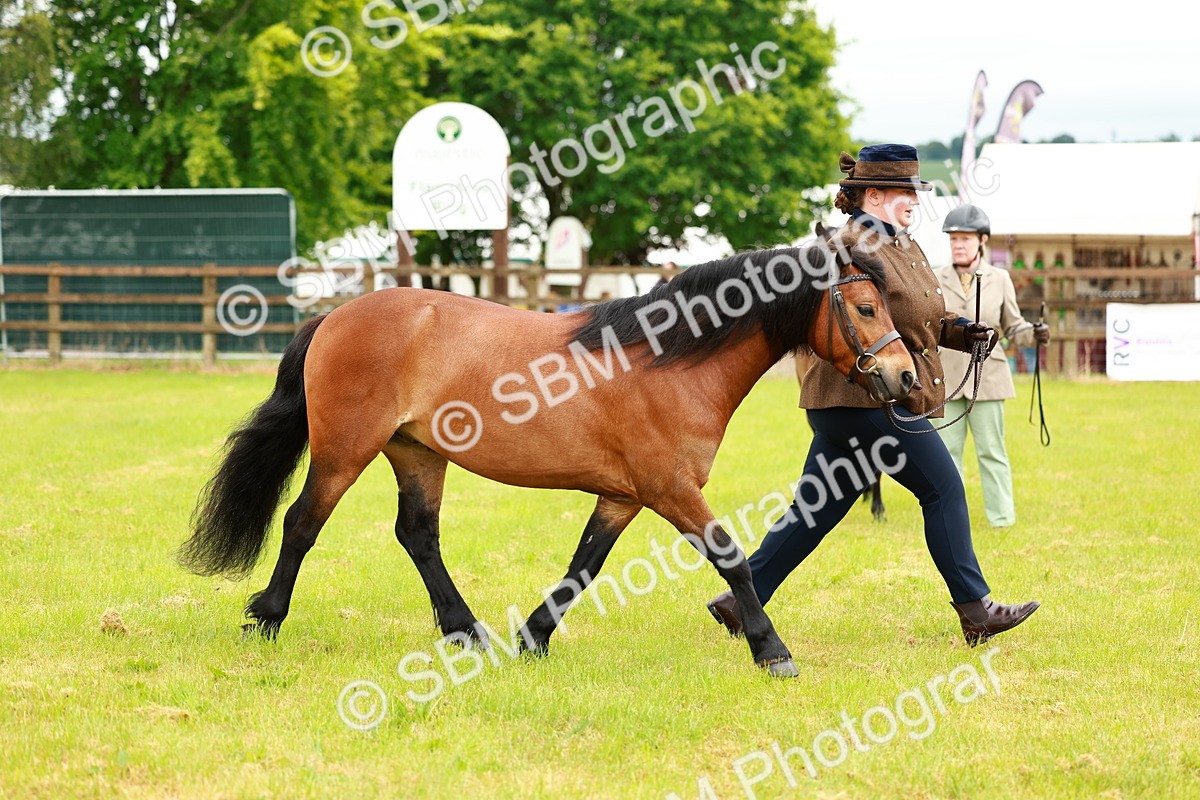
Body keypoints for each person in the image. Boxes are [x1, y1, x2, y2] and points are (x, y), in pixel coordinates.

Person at [706, 144, 1039, 647]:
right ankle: (976, 610)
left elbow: (916, 317)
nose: (914, 200)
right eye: (907, 191)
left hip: (847, 406)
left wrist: (959, 331)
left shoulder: (900, 242)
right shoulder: (851, 247)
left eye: (916, 191)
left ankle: (738, 602)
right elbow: (867, 325)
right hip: (868, 400)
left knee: (815, 510)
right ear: (875, 194)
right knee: (942, 487)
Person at [933, 205, 1050, 527]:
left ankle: (1001, 518)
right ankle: (951, 519)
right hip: (947, 378)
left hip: (989, 377)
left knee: (992, 453)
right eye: (954, 238)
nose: (958, 244)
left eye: (965, 238)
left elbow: (1014, 326)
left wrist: (1035, 334)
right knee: (945, 457)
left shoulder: (1000, 278)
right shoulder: (935, 278)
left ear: (982, 240)